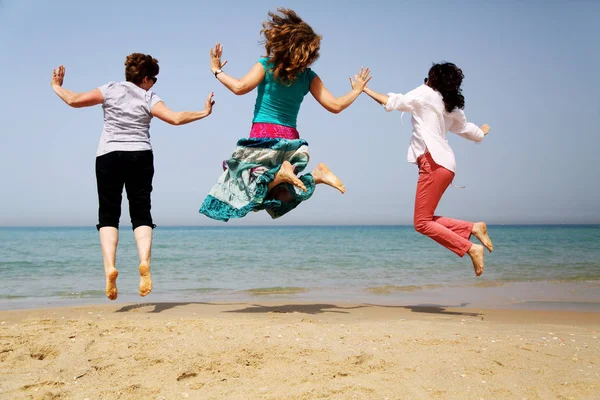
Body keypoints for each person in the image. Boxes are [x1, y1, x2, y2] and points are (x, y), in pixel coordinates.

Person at [50, 53, 215, 300]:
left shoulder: (110, 89)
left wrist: (56, 86)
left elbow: (74, 100)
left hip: (108, 155)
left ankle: (110, 268)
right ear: (145, 78)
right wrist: (204, 112)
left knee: (108, 214)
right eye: (154, 79)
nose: (154, 84)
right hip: (140, 155)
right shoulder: (149, 97)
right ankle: (144, 262)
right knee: (141, 213)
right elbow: (175, 118)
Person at [199, 8, 371, 221]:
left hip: (263, 136)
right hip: (290, 141)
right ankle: (317, 176)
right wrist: (356, 91)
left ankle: (283, 174)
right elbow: (335, 106)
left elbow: (240, 87)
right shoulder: (308, 76)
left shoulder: (266, 65)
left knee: (249, 193)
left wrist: (216, 70)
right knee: (277, 195)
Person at [362, 62, 493, 276]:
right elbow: (467, 130)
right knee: (425, 219)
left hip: (432, 162)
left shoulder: (425, 93)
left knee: (422, 222)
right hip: (446, 166)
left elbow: (394, 101)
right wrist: (482, 133)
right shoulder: (448, 104)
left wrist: (364, 90)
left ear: (432, 80)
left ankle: (470, 246)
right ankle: (473, 229)